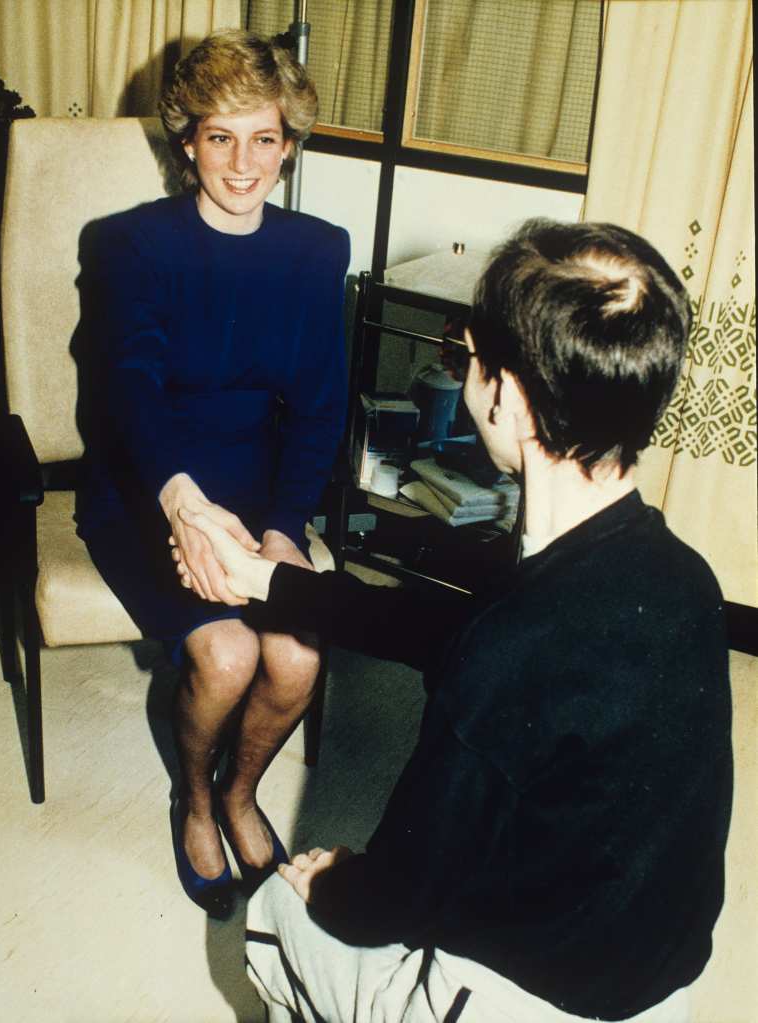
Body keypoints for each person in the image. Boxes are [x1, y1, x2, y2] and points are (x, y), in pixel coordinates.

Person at [174, 220, 732, 1022]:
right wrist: (267, 581)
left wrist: (328, 881)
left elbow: (396, 895)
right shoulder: (680, 577)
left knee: (274, 914)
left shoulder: (511, 655)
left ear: (508, 395)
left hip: (534, 1000)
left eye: (472, 360)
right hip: (653, 983)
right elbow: (449, 628)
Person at [75, 29, 350, 915]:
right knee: (227, 653)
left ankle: (241, 789)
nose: (243, 162)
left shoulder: (315, 251)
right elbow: (127, 394)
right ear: (185, 141)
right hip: (147, 480)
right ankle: (194, 796)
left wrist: (282, 527)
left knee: (299, 656)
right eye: (220, 137)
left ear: (290, 145)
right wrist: (185, 507)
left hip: (261, 489)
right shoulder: (128, 246)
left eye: (264, 138)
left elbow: (318, 405)